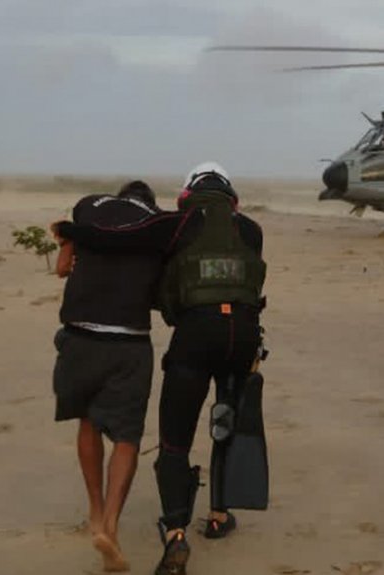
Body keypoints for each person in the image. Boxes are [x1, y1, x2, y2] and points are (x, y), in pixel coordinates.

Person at [53, 163, 267, 575]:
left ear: (188, 195)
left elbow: (119, 239)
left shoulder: (179, 222)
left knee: (175, 438)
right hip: (243, 336)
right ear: (232, 198)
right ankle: (220, 513)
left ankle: (176, 534)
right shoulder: (254, 231)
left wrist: (71, 230)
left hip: (195, 336)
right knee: (227, 420)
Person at [51, 180, 166, 573]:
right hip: (129, 342)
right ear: (149, 204)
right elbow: (161, 295)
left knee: (88, 419)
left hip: (81, 335)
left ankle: (95, 512)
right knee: (127, 437)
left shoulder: (88, 214)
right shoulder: (157, 228)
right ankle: (112, 526)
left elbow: (62, 268)